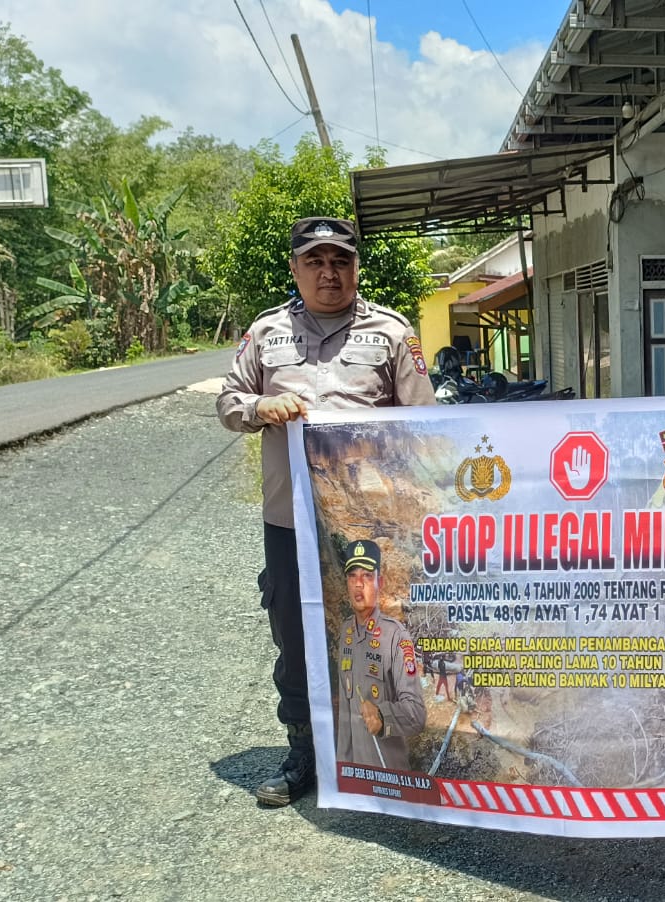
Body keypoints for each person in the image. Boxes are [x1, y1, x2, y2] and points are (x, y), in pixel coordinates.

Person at [216, 216, 436, 806]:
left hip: (372, 527)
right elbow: (228, 402)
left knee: (382, 631)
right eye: (314, 261)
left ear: (356, 267)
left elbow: (425, 422)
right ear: (295, 269)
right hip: (292, 521)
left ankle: (397, 755)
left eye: (341, 260)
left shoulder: (390, 333)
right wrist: (261, 408)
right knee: (296, 635)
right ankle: (304, 756)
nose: (329, 272)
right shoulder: (266, 333)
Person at [333, 539, 426, 771]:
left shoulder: (395, 636)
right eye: (352, 576)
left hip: (389, 776)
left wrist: (383, 716)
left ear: (379, 583)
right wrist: (342, 769)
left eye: (367, 576)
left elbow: (416, 714)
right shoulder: (346, 633)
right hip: (355, 777)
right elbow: (345, 718)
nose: (358, 584)